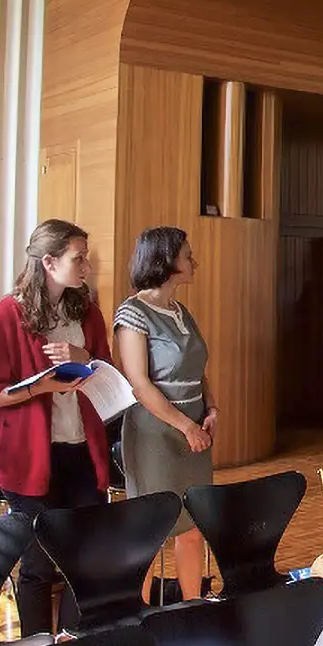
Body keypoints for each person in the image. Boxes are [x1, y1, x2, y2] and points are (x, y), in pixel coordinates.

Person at [0, 219, 113, 637]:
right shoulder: (3, 317)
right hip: (29, 456)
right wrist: (43, 387)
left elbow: (105, 369)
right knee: (37, 565)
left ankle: (72, 643)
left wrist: (83, 356)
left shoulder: (87, 312)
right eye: (78, 258)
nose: (87, 266)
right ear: (49, 263)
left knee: (87, 560)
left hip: (81, 449)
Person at [114, 227, 216, 602]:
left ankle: (192, 605)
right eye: (187, 255)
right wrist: (187, 426)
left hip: (195, 429)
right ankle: (138, 611)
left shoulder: (180, 310)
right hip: (155, 432)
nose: (194, 262)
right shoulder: (133, 312)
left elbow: (199, 368)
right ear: (165, 260)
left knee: (192, 525)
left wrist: (212, 408)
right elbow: (139, 384)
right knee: (150, 529)